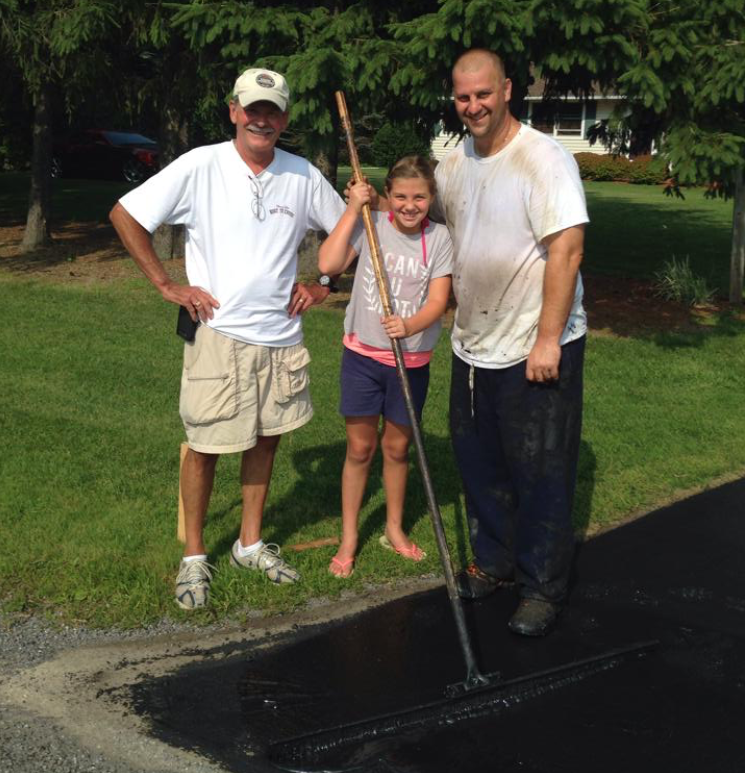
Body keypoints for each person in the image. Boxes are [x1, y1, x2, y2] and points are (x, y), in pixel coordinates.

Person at [110, 67, 350, 610]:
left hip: (281, 337)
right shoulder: (202, 165)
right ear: (234, 111)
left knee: (266, 439)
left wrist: (324, 283)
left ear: (284, 119)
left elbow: (349, 230)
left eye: (273, 112)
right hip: (218, 334)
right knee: (205, 447)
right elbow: (125, 214)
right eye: (253, 109)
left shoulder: (302, 175)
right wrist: (166, 284)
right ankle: (195, 556)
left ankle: (249, 543)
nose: (263, 120)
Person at [435, 48, 589, 636]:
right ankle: (495, 561)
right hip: (473, 344)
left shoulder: (543, 158)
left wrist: (548, 341)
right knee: (480, 462)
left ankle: (542, 585)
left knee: (541, 471)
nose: (473, 106)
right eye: (462, 96)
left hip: (535, 345)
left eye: (483, 94)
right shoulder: (453, 164)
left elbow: (567, 250)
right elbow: (436, 228)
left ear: (506, 91)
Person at [317, 156, 453, 578]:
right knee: (360, 449)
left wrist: (409, 325)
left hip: (410, 363)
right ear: (388, 196)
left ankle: (394, 527)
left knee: (397, 448)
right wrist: (352, 209)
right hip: (363, 357)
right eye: (401, 197)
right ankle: (349, 536)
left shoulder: (440, 238)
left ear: (431, 198)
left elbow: (439, 301)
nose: (410, 206)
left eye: (419, 197)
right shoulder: (371, 224)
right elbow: (328, 265)